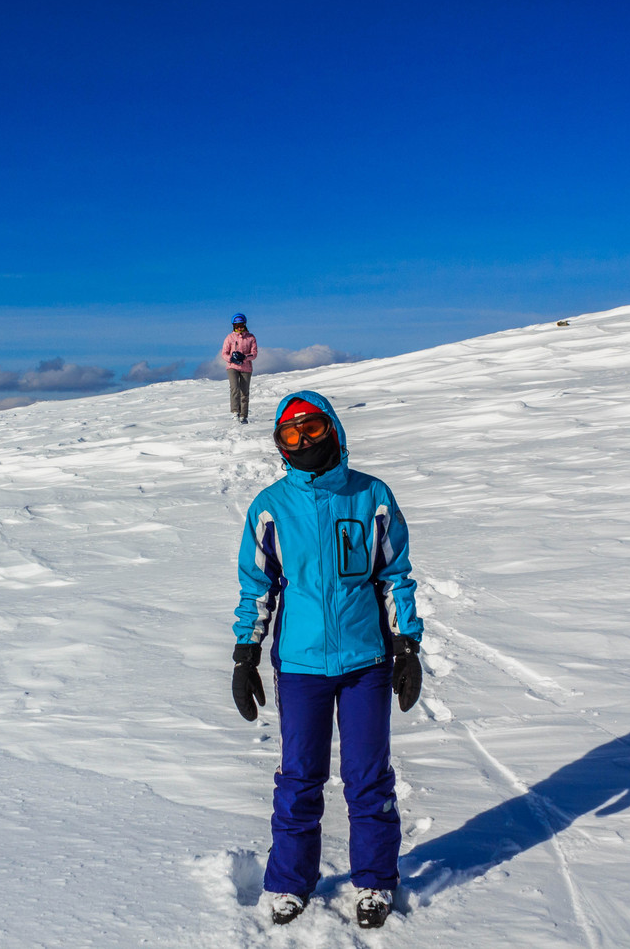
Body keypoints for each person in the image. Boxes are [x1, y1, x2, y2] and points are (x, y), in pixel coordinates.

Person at [229, 390, 424, 929]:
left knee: (367, 776)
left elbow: (395, 576)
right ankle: (290, 883)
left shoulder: (371, 497)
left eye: (312, 429)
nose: (304, 442)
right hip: (300, 665)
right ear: (280, 446)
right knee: (299, 776)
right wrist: (246, 653)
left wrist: (407, 645)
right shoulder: (270, 508)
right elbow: (257, 589)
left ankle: (376, 881)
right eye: (290, 436)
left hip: (366, 661)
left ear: (334, 429)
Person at [221, 314, 259, 423]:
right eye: (237, 326)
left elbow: (254, 354)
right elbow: (224, 353)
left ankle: (244, 415)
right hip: (232, 367)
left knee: (244, 391)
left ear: (245, 325)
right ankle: (235, 412)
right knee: (234, 388)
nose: (239, 328)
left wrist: (245, 357)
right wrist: (231, 359)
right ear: (233, 326)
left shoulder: (251, 337)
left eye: (241, 326)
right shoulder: (230, 337)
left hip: (246, 368)